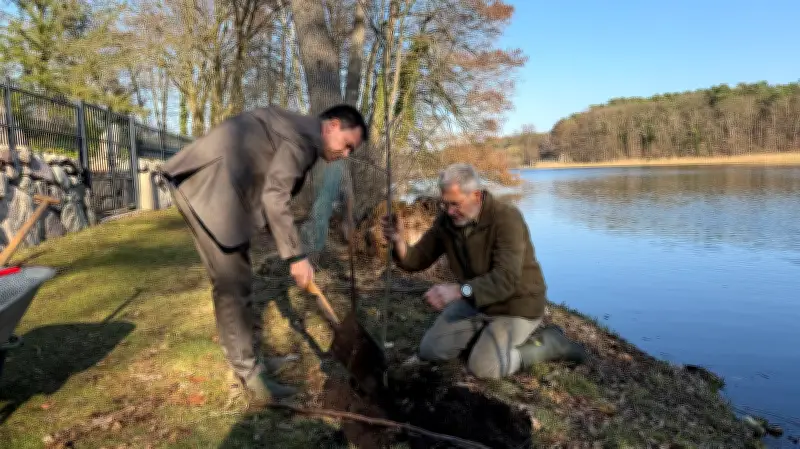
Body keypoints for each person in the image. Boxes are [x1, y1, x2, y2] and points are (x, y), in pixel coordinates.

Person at [160, 104, 368, 406]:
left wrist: (282, 238)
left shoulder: (300, 129)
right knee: (232, 283)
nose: (346, 154)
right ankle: (249, 375)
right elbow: (275, 196)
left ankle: (248, 361)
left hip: (221, 189)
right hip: (208, 188)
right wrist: (296, 257)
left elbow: (269, 182)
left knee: (238, 279)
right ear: (333, 126)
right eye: (348, 145)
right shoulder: (304, 140)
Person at [381, 163, 587, 379]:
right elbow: (417, 259)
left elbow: (506, 280)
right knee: (431, 350)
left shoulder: (506, 218)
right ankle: (482, 335)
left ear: (476, 196)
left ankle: (551, 343)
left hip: (516, 305)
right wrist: (398, 241)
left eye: (455, 204)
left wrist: (459, 292)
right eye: (445, 205)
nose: (449, 211)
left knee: (484, 367)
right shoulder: (447, 221)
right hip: (476, 301)